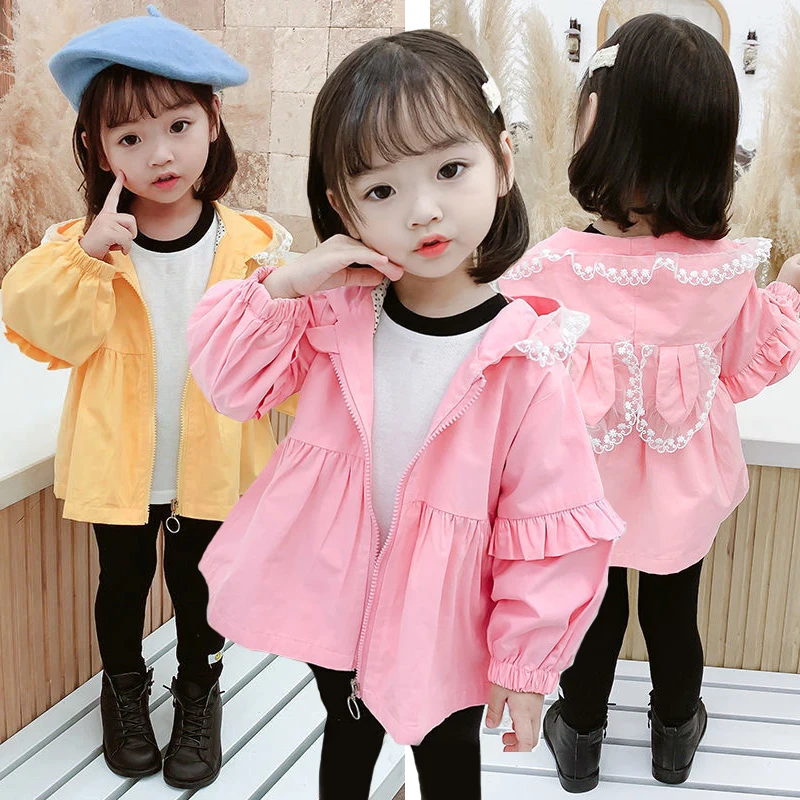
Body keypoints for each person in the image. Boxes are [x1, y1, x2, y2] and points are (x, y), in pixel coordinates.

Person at [186, 30, 625, 800]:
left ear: (503, 161)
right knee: (347, 726)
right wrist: (291, 281)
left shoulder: (527, 356)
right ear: (342, 206)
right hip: (338, 593)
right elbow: (229, 383)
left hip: (448, 614)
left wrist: (524, 663)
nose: (424, 211)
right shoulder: (334, 316)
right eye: (381, 191)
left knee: (448, 755)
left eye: (451, 170)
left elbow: (548, 525)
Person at [499, 14, 800, 792]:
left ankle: (580, 738)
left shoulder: (551, 269)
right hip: (682, 495)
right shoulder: (722, 272)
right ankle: (674, 737)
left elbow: (507, 377)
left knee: (592, 614)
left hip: (583, 502)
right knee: (673, 617)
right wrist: (790, 288)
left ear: (601, 125)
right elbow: (752, 358)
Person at [1, 7, 293, 789]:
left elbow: (285, 357)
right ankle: (124, 693)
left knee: (201, 589)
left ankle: (199, 694)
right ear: (98, 150)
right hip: (121, 460)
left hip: (214, 461)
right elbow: (34, 323)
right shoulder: (80, 246)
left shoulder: (253, 243)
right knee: (122, 585)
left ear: (213, 121)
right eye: (129, 138)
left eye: (178, 125)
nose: (160, 154)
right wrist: (88, 258)